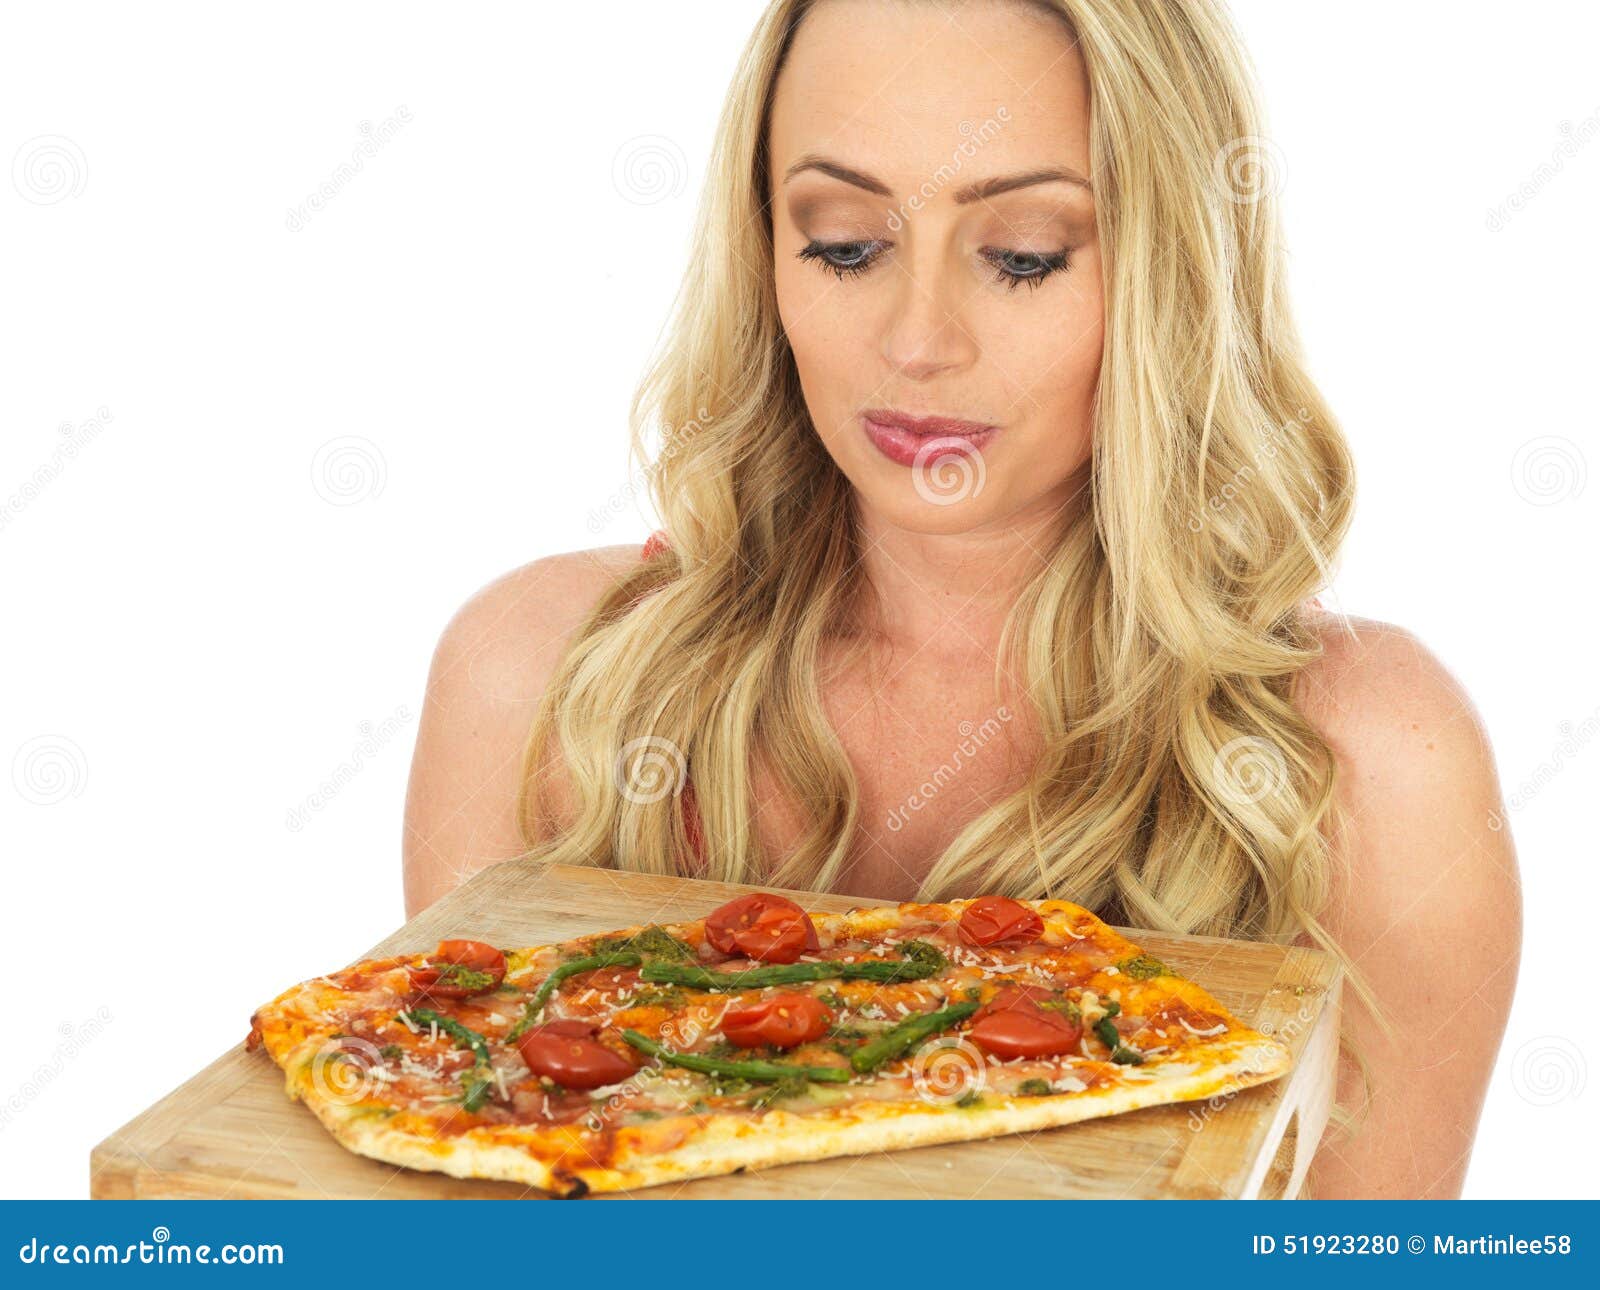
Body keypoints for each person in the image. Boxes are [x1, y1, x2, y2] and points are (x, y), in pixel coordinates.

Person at [401, 0, 1521, 1198]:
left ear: (1171, 267)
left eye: (1022, 254)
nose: (917, 340)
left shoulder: (1368, 766)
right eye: (842, 243)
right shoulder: (540, 684)